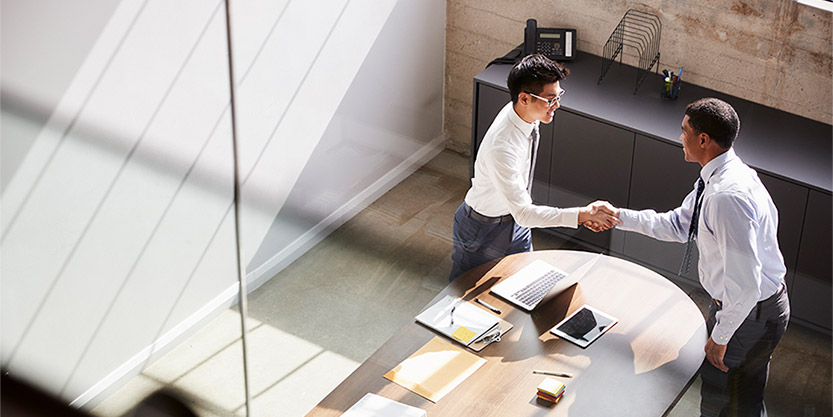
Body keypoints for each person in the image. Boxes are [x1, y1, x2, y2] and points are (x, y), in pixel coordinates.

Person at [606, 97, 790, 416]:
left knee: (725, 405)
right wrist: (617, 216)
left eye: (684, 131)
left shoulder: (725, 197)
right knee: (742, 401)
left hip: (750, 314)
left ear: (703, 139)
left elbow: (745, 286)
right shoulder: (718, 177)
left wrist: (720, 336)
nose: (680, 137)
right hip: (748, 310)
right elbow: (679, 224)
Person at [449, 54, 618, 280]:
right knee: (463, 296)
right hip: (482, 230)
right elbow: (526, 214)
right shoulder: (503, 146)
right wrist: (580, 215)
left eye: (558, 97)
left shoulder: (524, 114)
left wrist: (582, 216)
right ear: (524, 98)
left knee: (524, 285)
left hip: (516, 223)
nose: (556, 105)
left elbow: (522, 214)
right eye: (550, 99)